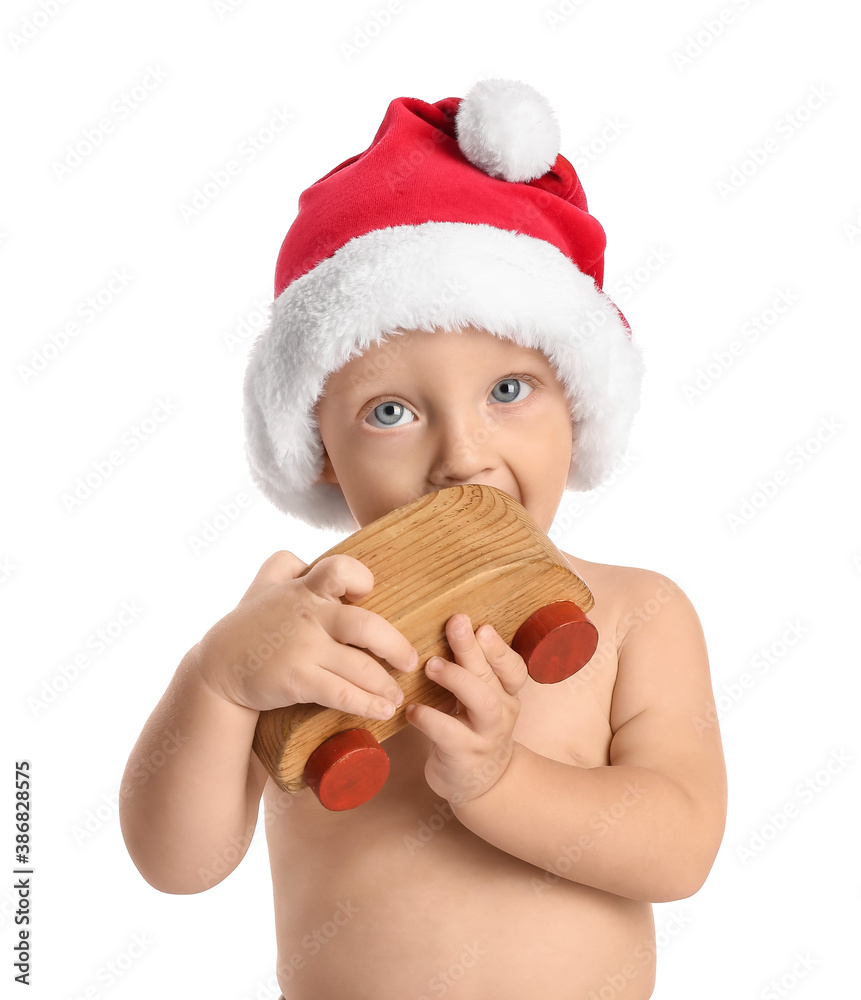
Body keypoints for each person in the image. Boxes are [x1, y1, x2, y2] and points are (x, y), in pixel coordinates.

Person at [119, 78, 727, 999]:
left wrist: (498, 781)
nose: (463, 455)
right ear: (321, 449)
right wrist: (215, 681)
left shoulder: (637, 614)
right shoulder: (297, 625)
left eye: (509, 390)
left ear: (578, 403)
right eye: (392, 410)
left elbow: (679, 850)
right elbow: (179, 864)